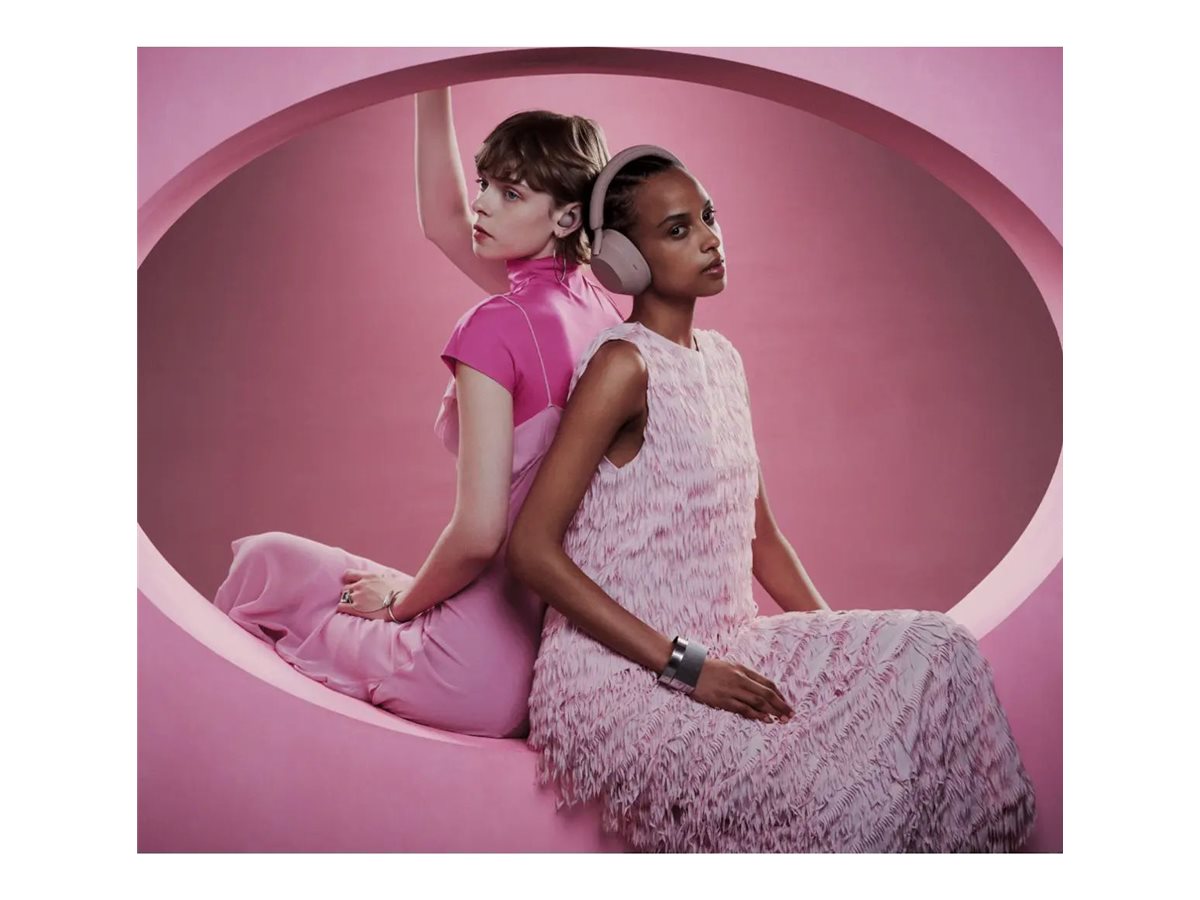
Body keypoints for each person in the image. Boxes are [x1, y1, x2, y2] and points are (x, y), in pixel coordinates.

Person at [507, 145, 1038, 851]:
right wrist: (686, 666)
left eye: (709, 216)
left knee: (941, 649)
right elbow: (531, 550)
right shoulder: (621, 365)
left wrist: (849, 661)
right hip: (621, 680)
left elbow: (762, 539)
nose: (709, 239)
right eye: (678, 230)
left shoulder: (725, 361)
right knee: (851, 802)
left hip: (732, 640)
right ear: (624, 261)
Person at [212, 88, 623, 739]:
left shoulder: (497, 324)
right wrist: (432, 86)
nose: (483, 204)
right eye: (486, 184)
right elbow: (445, 221)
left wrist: (401, 604)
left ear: (569, 217)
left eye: (510, 194)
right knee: (298, 567)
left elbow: (481, 533)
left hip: (465, 670)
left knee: (264, 568)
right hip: (545, 657)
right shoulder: (602, 315)